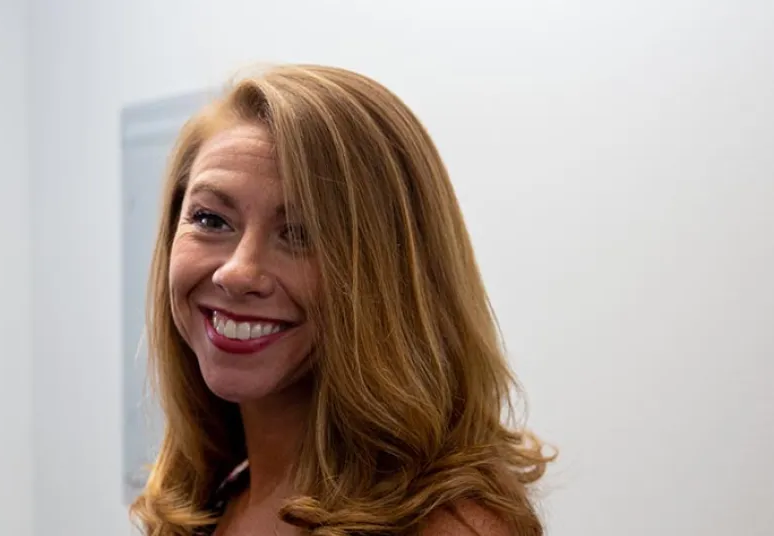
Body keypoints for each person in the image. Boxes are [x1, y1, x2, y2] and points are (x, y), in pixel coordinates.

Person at [130, 64, 554, 536]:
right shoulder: (219, 495)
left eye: (301, 233)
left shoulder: (447, 527)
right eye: (211, 219)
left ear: (391, 277)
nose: (237, 272)